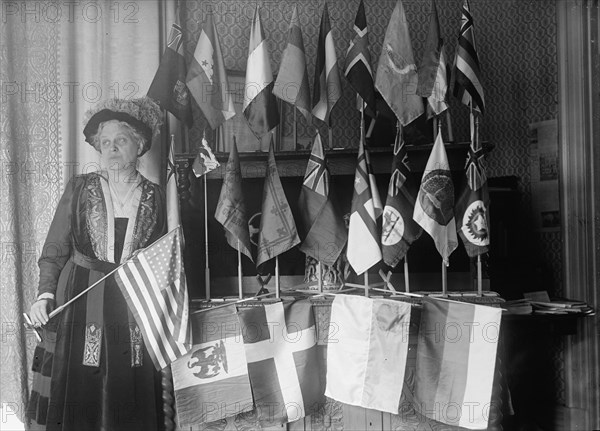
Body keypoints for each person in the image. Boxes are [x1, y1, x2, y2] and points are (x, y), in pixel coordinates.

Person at [26, 97, 167, 430]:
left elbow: (166, 258)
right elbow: (55, 248)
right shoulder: (80, 188)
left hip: (133, 303)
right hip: (80, 298)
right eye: (105, 143)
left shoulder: (158, 196)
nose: (111, 148)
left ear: (140, 144)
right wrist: (45, 294)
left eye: (120, 140)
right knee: (80, 384)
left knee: (128, 385)